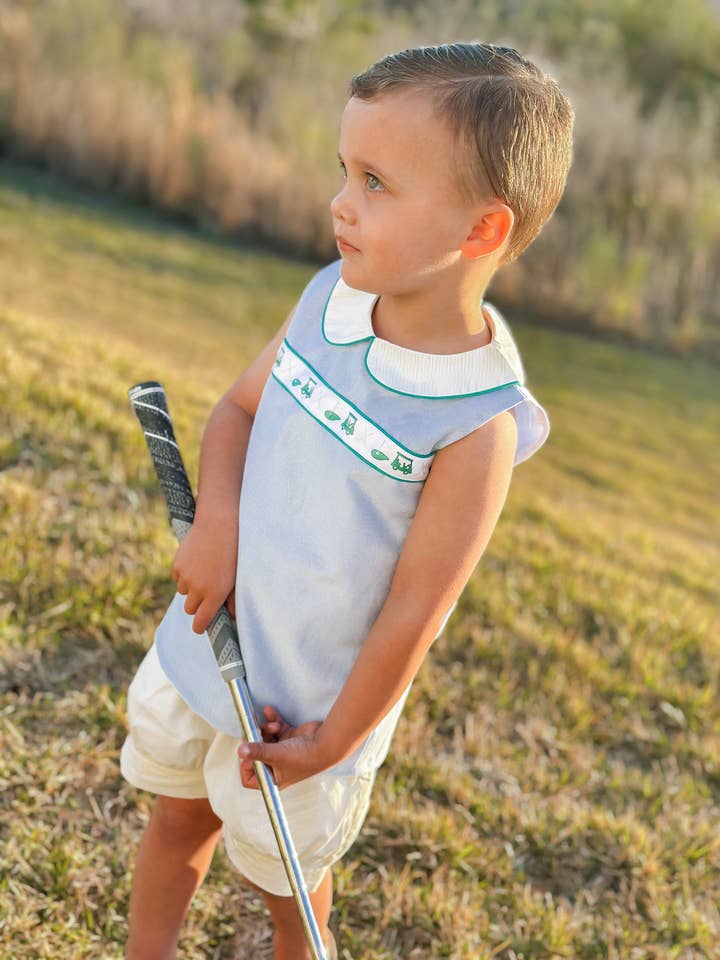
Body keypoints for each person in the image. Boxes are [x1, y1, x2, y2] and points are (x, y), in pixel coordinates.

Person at [120, 42, 574, 960]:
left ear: (481, 232)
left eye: (375, 182)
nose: (340, 203)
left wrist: (331, 745)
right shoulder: (329, 297)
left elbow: (416, 611)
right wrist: (216, 522)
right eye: (344, 171)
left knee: (291, 896)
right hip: (221, 647)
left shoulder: (476, 426)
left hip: (316, 713)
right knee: (176, 828)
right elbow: (237, 412)